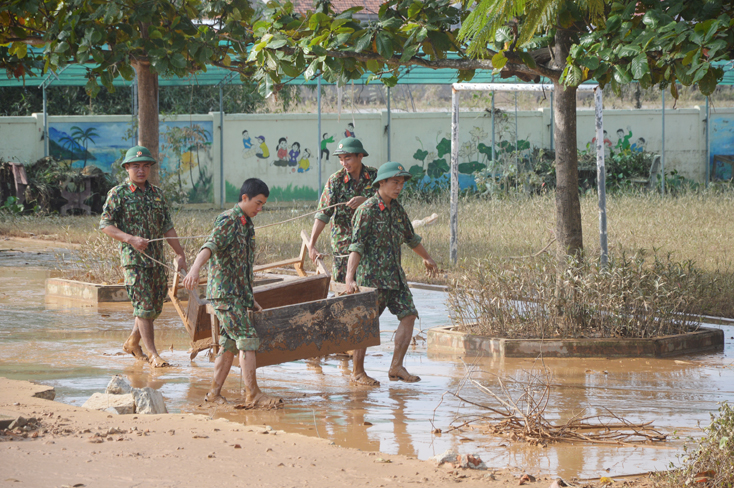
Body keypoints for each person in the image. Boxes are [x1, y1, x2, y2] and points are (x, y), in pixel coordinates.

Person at [182, 178, 281, 407]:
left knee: (228, 346)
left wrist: (250, 298)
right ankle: (253, 394)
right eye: (257, 203)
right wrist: (195, 270)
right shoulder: (228, 220)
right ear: (244, 198)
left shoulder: (247, 224)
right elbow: (209, 246)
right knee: (247, 339)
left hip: (237, 296)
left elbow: (242, 266)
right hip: (225, 296)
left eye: (263, 205)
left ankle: (214, 395)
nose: (260, 209)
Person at [345, 162, 438, 386]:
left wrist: (427, 258)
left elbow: (410, 238)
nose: (399, 187)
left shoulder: (397, 210)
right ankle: (358, 372)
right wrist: (350, 278)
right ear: (382, 183)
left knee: (409, 315)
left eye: (402, 183)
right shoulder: (366, 211)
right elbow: (356, 246)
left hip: (395, 279)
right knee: (365, 326)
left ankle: (396, 366)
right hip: (371, 280)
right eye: (395, 182)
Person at [100, 145, 187, 368]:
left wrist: (179, 253)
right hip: (134, 262)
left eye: (146, 166)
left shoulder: (157, 194)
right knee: (144, 306)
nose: (141, 170)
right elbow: (105, 225)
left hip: (157, 260)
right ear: (127, 168)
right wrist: (130, 239)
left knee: (155, 306)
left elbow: (167, 226)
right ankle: (154, 354)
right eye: (136, 166)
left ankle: (132, 342)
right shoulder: (118, 194)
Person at [307, 137, 377, 284]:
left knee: (368, 284)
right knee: (341, 284)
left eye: (348, 158)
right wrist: (312, 244)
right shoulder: (336, 181)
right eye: (340, 159)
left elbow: (387, 203)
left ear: (360, 156)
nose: (344, 163)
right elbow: (322, 214)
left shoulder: (374, 176)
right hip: (343, 243)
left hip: (369, 241)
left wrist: (366, 201)